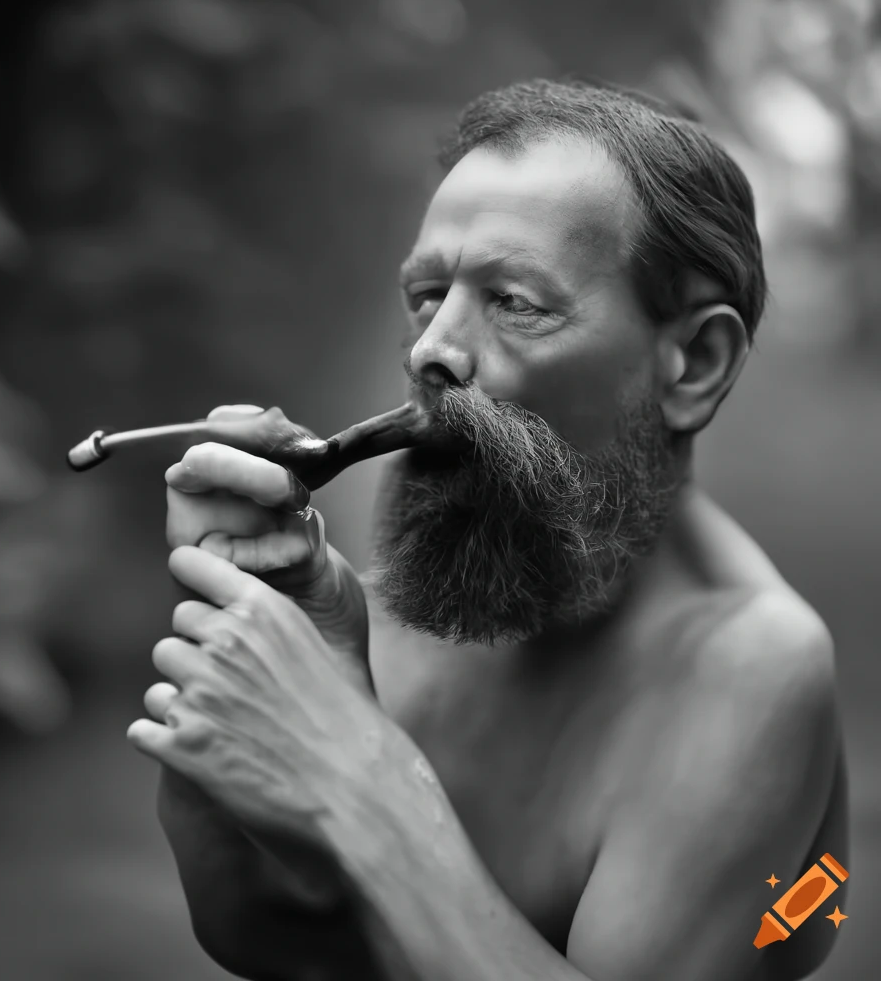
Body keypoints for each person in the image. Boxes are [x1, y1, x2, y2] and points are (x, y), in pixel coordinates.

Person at [126, 79, 848, 981]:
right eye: (428, 294)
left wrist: (363, 780)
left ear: (694, 363)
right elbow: (272, 941)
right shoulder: (429, 566)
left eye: (515, 301)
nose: (433, 348)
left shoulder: (751, 663)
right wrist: (240, 616)